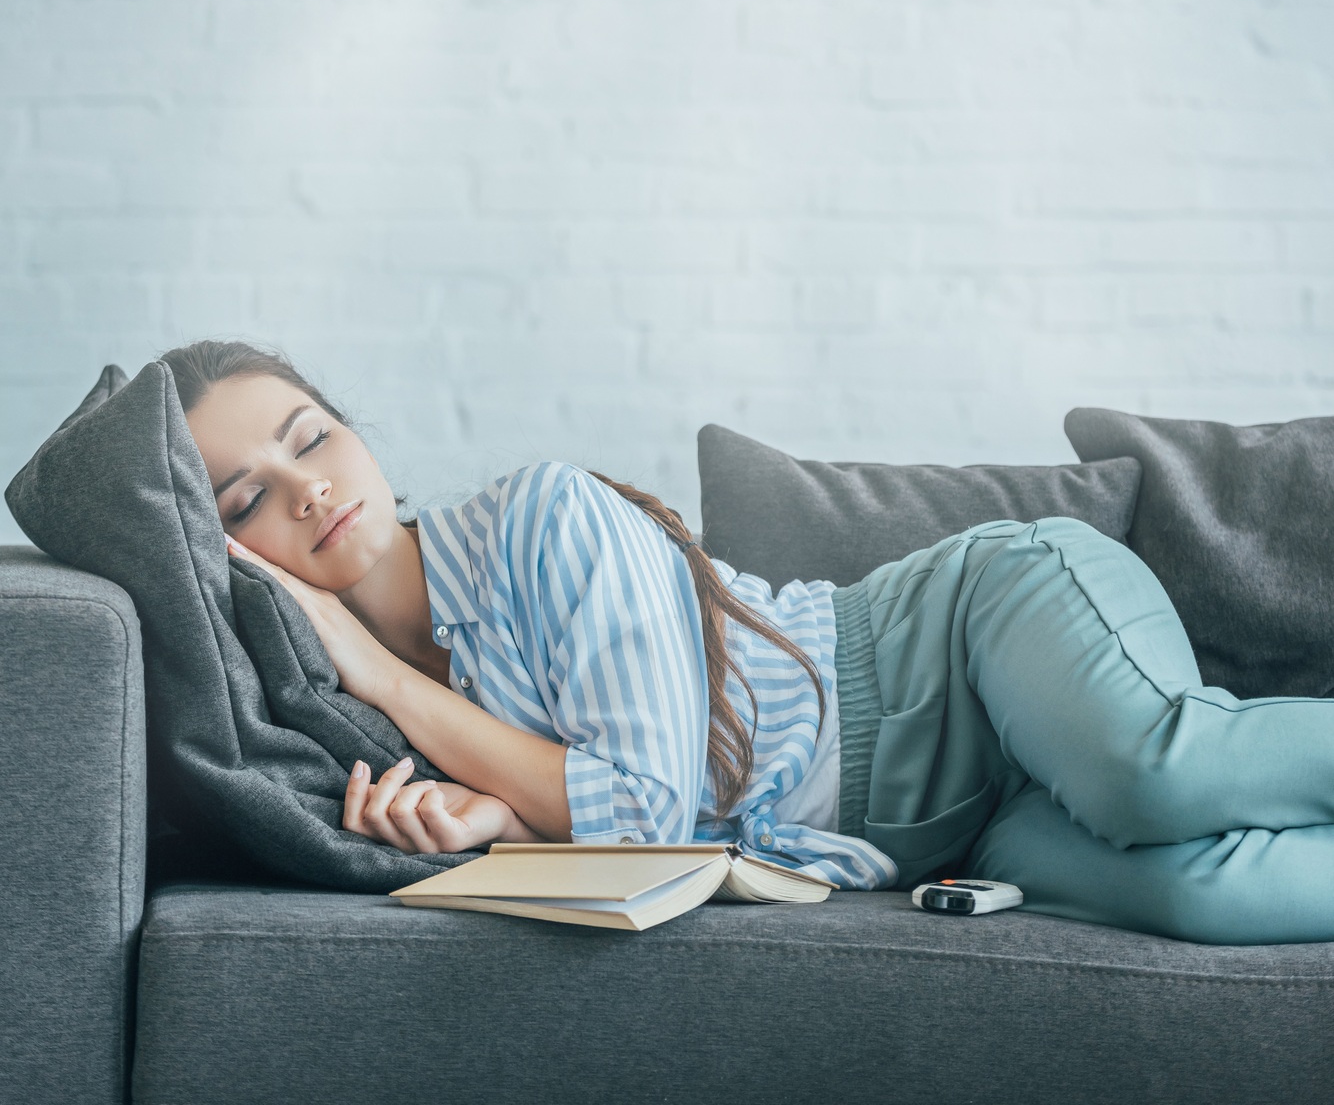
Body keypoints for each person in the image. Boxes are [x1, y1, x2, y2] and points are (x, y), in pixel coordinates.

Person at [169, 338, 1334, 945]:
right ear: (230, 555)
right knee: (1200, 899)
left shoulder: (542, 515)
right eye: (244, 500)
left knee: (1155, 773)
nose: (306, 490)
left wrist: (378, 671)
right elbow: (631, 846)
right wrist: (509, 816)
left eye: (309, 436)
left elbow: (652, 803)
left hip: (972, 638)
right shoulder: (354, 724)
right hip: (942, 830)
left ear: (358, 433)